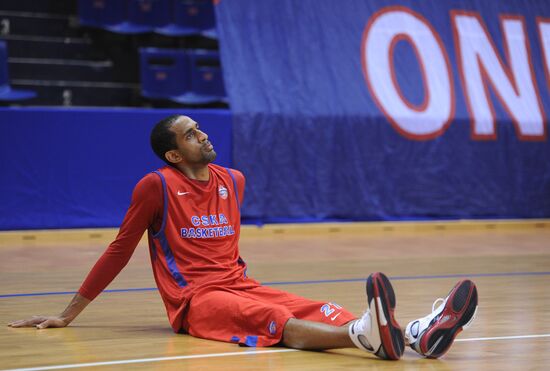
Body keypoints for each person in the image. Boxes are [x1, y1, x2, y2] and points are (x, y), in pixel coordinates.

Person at [8, 114, 478, 360]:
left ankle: (415, 336)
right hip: (197, 301)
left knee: (319, 308)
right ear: (174, 154)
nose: (203, 135)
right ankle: (373, 339)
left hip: (242, 284)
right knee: (275, 320)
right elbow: (119, 249)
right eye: (191, 134)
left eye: (201, 128)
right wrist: (68, 314)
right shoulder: (156, 186)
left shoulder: (233, 178)